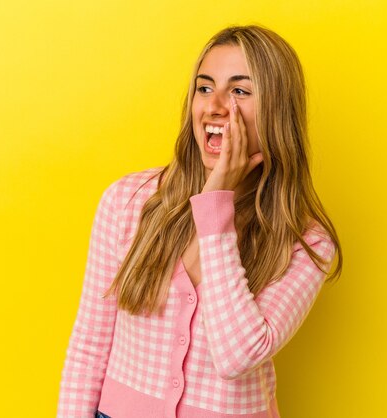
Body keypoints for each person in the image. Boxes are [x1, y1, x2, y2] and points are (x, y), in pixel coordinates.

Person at [57, 24, 343, 418]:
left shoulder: (305, 241)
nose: (215, 106)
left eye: (240, 91)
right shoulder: (129, 201)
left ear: (277, 112)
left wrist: (215, 207)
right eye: (205, 88)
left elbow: (236, 355)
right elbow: (89, 346)